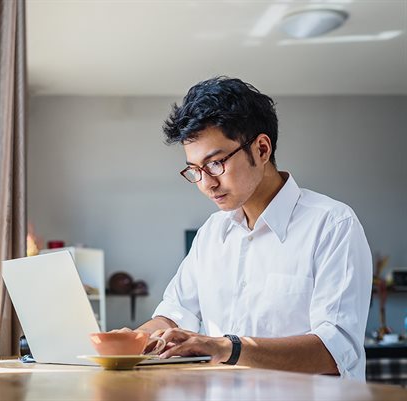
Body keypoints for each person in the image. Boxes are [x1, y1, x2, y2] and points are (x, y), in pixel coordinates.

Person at [135, 76, 372, 380]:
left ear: (261, 149)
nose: (206, 183)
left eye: (215, 163)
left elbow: (335, 351)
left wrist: (229, 348)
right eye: (194, 170)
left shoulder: (332, 225)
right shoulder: (212, 233)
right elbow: (174, 314)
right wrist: (132, 338)